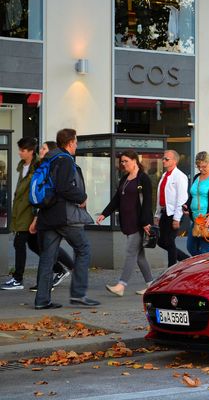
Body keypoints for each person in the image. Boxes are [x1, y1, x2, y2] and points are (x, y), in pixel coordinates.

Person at [34, 129, 100, 309]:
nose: (77, 145)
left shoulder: (48, 159)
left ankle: (42, 300)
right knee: (83, 248)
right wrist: (82, 197)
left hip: (47, 216)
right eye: (76, 142)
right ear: (70, 143)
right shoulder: (64, 160)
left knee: (48, 257)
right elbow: (64, 188)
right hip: (64, 216)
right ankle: (78, 295)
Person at [1, 139, 73, 291]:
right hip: (22, 213)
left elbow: (38, 193)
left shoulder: (39, 166)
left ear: (29, 151)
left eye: (22, 150)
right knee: (37, 245)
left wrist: (35, 216)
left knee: (20, 243)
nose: (20, 152)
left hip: (31, 213)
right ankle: (60, 270)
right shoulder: (22, 167)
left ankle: (18, 279)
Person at [97, 150, 154, 296]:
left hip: (138, 223)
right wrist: (104, 214)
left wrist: (146, 222)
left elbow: (147, 202)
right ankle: (152, 286)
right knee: (140, 257)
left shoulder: (143, 179)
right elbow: (117, 199)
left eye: (126, 161)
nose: (123, 164)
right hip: (127, 222)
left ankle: (121, 285)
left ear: (135, 160)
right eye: (121, 161)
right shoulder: (125, 179)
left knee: (130, 253)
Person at [154, 149, 189, 266]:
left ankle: (171, 269)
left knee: (169, 241)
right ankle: (187, 261)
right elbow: (160, 197)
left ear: (174, 161)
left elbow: (182, 198)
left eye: (166, 159)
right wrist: (157, 214)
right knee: (161, 242)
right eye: (163, 158)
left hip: (174, 214)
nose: (163, 161)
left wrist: (177, 218)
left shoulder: (180, 176)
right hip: (165, 212)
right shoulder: (164, 175)